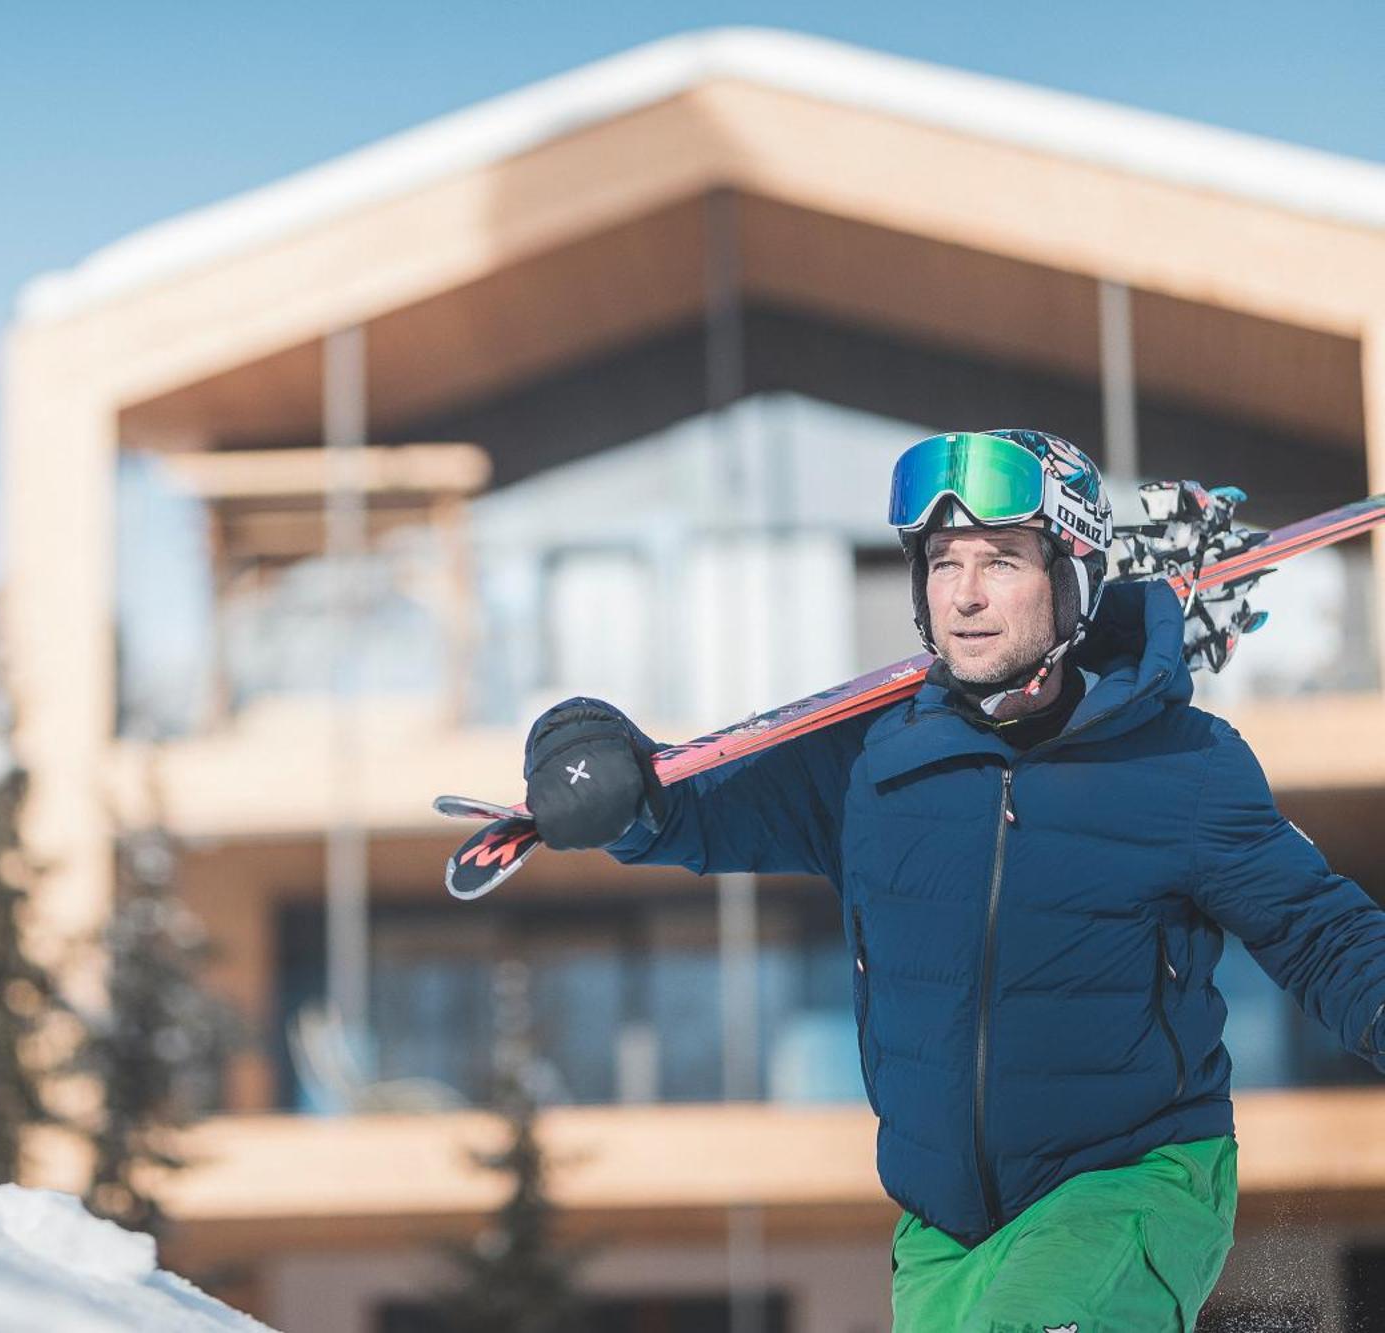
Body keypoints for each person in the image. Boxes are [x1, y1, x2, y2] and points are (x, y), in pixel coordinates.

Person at [521, 429, 1385, 1331]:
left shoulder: (1184, 765)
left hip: (1132, 1186)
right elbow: (692, 810)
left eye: (1002, 561)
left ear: (1070, 575)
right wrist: (600, 768)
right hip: (945, 1232)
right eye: (944, 562)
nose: (966, 595)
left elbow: (1322, 932)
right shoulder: (872, 764)